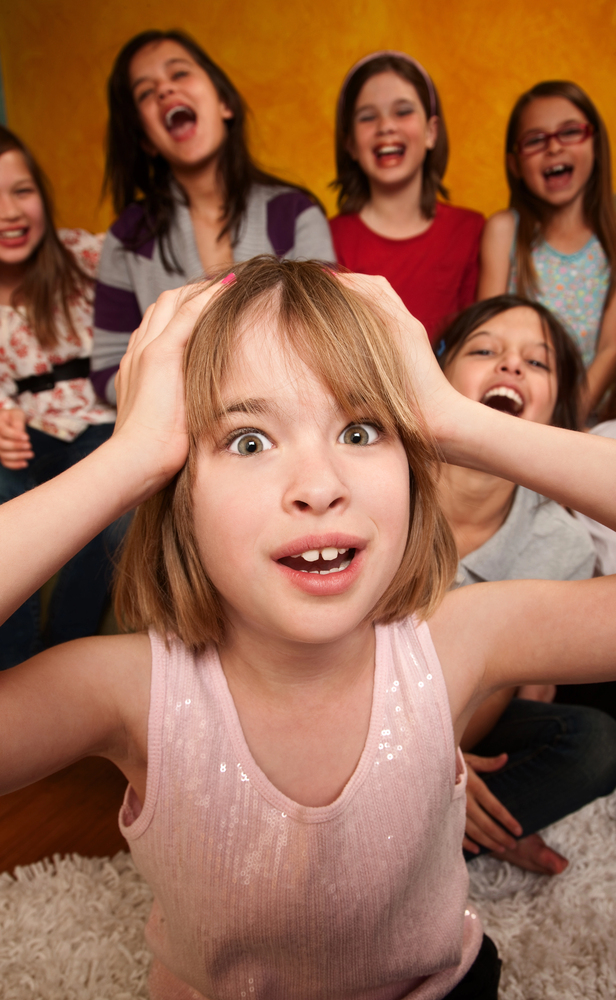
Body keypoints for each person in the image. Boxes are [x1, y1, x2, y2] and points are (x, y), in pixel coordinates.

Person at [5, 260, 616, 998]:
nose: (321, 486)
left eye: (360, 429)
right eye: (250, 441)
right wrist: (127, 461)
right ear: (176, 492)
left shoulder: (457, 637)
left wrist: (455, 420)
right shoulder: (123, 689)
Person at [435, 295, 616, 875]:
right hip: (329, 699)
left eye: (536, 363)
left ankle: (436, 822)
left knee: (591, 744)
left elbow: (513, 688)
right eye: (485, 350)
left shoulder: (558, 544)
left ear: (559, 414)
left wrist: (449, 770)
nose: (510, 365)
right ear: (436, 376)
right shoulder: (375, 474)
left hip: (458, 720)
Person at [91, 29, 334, 404]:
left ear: (225, 103)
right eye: (144, 92)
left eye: (180, 73)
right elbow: (108, 372)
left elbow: (327, 330)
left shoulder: (295, 213)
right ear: (146, 140)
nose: (164, 91)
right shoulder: (127, 239)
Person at [0, 125, 118, 669]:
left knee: (99, 492)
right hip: (25, 431)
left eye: (21, 191)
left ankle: (60, 653)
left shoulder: (86, 256)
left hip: (98, 421)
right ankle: (14, 664)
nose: (9, 211)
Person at [478, 81, 616, 416]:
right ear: (515, 164)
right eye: (536, 140)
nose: (553, 148)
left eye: (570, 132)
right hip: (516, 416)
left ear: (596, 144)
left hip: (590, 420)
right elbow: (485, 341)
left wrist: (562, 427)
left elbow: (611, 349)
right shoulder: (504, 231)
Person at [329, 51, 484, 341]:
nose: (386, 126)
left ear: (431, 132)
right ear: (349, 143)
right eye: (367, 117)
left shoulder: (471, 231)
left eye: (403, 111)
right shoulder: (326, 238)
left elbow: (476, 342)